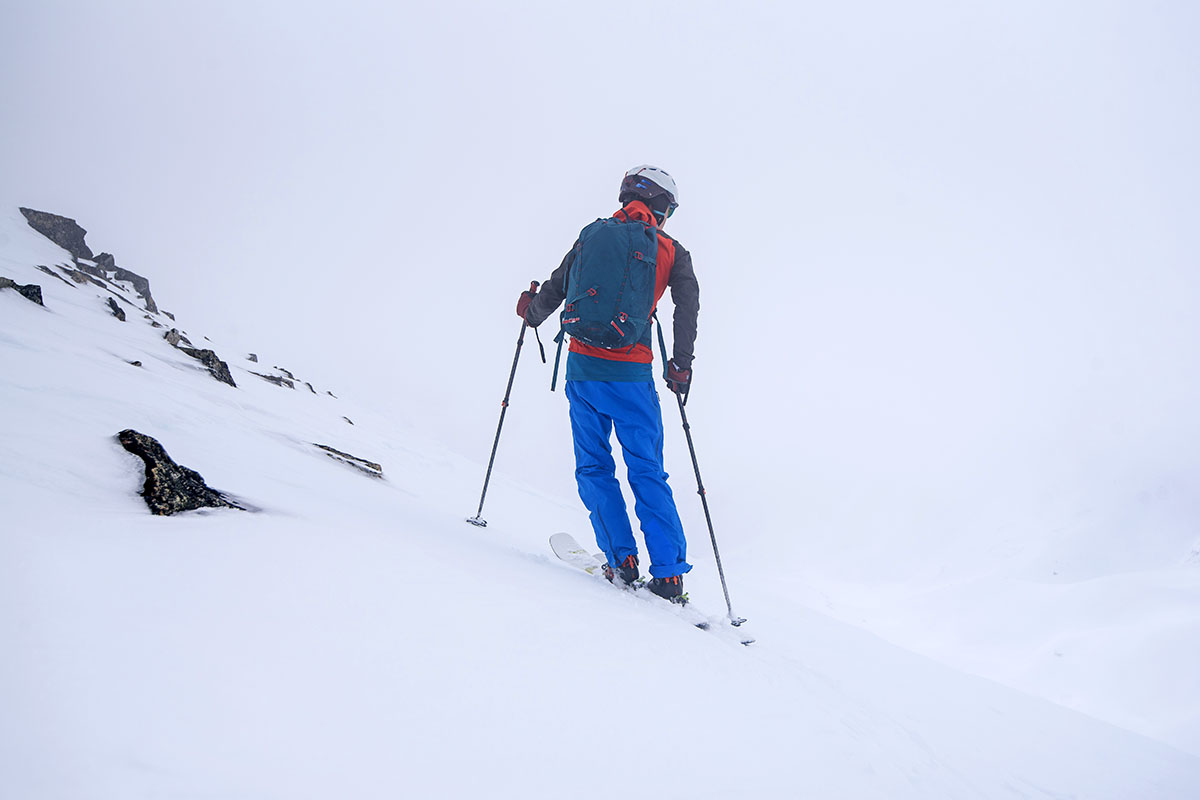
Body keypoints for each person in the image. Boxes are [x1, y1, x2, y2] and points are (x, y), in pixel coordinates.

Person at [517, 165, 700, 601]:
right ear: (662, 207)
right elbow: (686, 310)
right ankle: (669, 574)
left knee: (594, 466)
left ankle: (622, 561)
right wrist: (681, 366)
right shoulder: (671, 250)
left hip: (582, 371)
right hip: (631, 376)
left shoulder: (591, 235)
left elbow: (556, 289)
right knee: (647, 469)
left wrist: (531, 312)